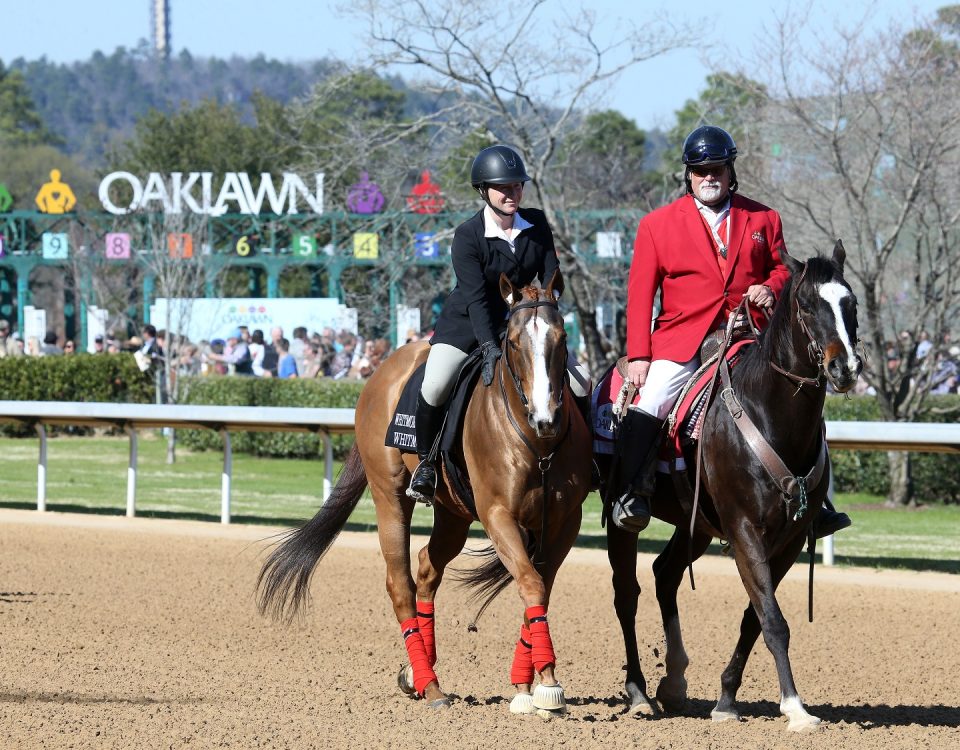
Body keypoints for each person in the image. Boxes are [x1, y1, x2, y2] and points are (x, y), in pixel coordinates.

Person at [613, 125, 850, 538]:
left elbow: (784, 269)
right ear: (688, 174)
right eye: (701, 169)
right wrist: (639, 357)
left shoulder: (763, 217)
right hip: (684, 339)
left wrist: (770, 286)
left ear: (729, 170)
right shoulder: (656, 225)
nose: (710, 177)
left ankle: (818, 503)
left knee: (800, 401)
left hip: (750, 336)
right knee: (652, 400)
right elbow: (639, 295)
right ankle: (631, 492)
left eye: (717, 169)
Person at [407, 144, 592, 503]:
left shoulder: (537, 224)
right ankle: (427, 465)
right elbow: (476, 298)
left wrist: (547, 305)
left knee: (582, 383)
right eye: (503, 188)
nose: (512, 193)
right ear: (484, 191)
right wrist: (490, 347)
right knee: (436, 383)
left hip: (524, 327)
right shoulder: (468, 235)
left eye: (517, 186)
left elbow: (551, 274)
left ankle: (590, 462)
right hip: (467, 325)